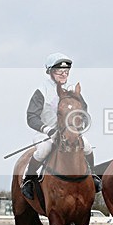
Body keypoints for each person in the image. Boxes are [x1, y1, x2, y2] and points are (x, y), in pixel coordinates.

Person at [21, 52, 101, 199]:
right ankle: (28, 179)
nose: (64, 74)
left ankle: (93, 174)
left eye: (66, 71)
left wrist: (77, 126)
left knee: (87, 146)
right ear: (50, 71)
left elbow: (84, 109)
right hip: (46, 132)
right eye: (59, 71)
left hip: (70, 132)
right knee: (44, 149)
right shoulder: (41, 91)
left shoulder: (72, 89)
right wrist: (48, 130)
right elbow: (31, 116)